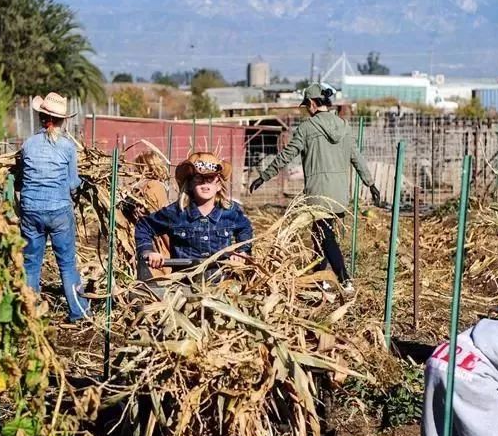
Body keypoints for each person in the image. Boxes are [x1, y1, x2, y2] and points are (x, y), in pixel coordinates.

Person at [248, 82, 380, 293]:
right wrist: (370, 183)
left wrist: (264, 176)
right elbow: (357, 158)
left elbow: (286, 155)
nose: (306, 109)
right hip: (339, 194)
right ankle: (321, 279)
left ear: (311, 103)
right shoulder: (344, 127)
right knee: (320, 235)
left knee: (326, 237)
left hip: (319, 193)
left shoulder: (307, 128)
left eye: (306, 105)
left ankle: (345, 279)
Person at [16, 92, 91, 322]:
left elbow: (20, 179)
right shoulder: (68, 147)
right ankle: (78, 312)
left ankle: (30, 313)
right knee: (67, 264)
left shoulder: (28, 145)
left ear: (41, 117)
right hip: (59, 210)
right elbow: (72, 184)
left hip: (31, 210)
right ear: (63, 120)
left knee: (31, 263)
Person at [135, 152, 252, 280]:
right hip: (184, 283)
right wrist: (148, 251)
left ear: (218, 185)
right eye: (198, 178)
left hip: (221, 283)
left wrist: (242, 251)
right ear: (190, 184)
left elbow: (245, 228)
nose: (205, 183)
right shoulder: (176, 213)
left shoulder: (230, 211)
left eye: (210, 178)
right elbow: (144, 227)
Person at [133, 149, 172, 278]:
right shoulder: (154, 187)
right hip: (156, 243)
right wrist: (172, 247)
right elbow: (163, 220)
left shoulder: (138, 188)